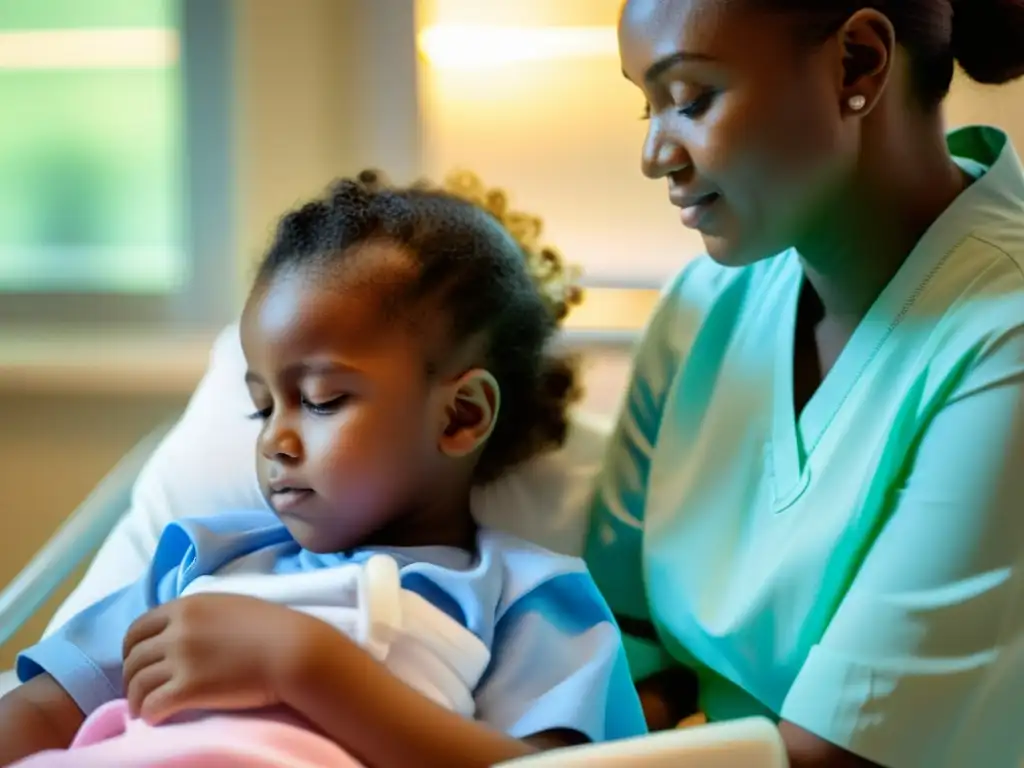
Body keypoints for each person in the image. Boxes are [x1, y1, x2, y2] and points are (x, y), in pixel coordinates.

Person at [0, 173, 646, 767]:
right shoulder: (199, 561)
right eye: (260, 406)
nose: (276, 440)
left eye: (320, 400)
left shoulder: (526, 601)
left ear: (459, 416)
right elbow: (37, 715)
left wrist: (308, 668)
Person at [585, 0, 1024, 767]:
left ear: (857, 64)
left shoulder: (1004, 337)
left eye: (690, 99)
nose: (655, 153)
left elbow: (839, 755)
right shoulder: (701, 307)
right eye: (645, 105)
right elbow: (617, 633)